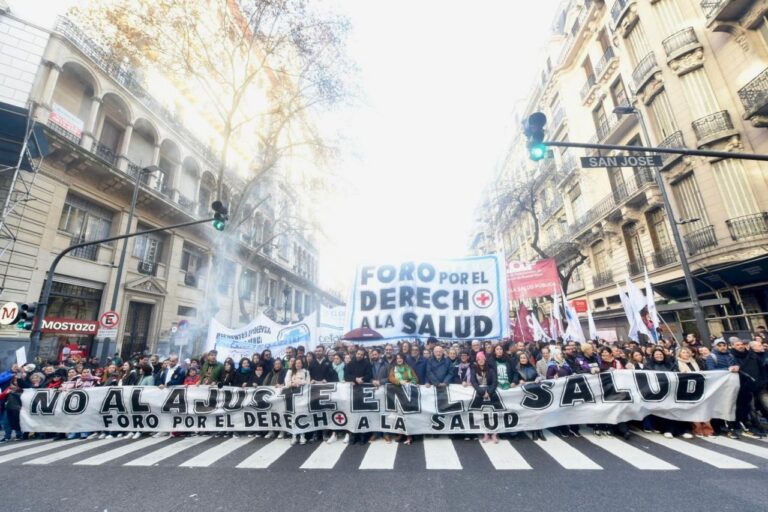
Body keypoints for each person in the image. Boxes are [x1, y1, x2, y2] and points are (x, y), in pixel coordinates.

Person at [677, 347, 714, 437]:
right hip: (687, 388)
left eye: (687, 352)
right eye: (683, 352)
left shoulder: (695, 361)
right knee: (693, 409)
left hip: (699, 386)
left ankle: (708, 430)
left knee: (703, 407)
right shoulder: (677, 363)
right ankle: (697, 429)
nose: (686, 354)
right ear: (679, 354)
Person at [344, 349, 373, 445]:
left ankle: (363, 435)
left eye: (361, 354)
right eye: (358, 353)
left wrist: (362, 379)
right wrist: (355, 379)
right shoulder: (350, 364)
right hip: (353, 392)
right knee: (353, 414)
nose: (359, 355)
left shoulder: (367, 364)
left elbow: (370, 375)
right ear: (355, 354)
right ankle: (354, 435)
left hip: (364, 392)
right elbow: (346, 376)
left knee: (363, 413)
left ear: (364, 355)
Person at [388, 353, 416, 445]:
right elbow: (390, 378)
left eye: (400, 358)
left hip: (407, 394)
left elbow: (415, 378)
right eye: (397, 358)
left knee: (407, 415)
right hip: (397, 394)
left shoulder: (409, 368)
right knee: (398, 415)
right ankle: (400, 434)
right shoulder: (393, 369)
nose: (399, 360)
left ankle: (409, 436)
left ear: (403, 359)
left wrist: (408, 383)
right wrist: (399, 382)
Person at [470, 352, 498, 443]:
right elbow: (473, 382)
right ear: (477, 361)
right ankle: (485, 434)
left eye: (482, 359)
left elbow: (494, 382)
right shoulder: (474, 370)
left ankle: (494, 434)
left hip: (490, 392)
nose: (481, 360)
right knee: (482, 414)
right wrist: (482, 392)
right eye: (479, 359)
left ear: (485, 360)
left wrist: (489, 392)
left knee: (493, 413)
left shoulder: (490, 369)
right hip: (480, 393)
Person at [285, 357, 310, 445]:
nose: (298, 365)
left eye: (299, 363)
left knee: (302, 415)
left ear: (302, 364)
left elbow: (308, 383)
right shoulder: (290, 372)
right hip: (292, 396)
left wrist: (299, 381)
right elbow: (287, 383)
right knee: (293, 416)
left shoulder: (306, 372)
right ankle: (294, 436)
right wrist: (294, 383)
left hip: (302, 396)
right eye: (296, 363)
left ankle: (302, 435)